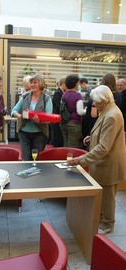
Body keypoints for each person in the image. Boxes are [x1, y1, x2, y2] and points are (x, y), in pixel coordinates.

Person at [68, 85, 126, 234]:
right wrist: (92, 137)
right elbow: (104, 134)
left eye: (95, 102)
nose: (94, 104)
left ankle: (108, 224)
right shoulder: (107, 110)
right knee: (103, 194)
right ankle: (100, 219)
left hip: (109, 163)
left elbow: (104, 148)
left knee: (108, 197)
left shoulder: (112, 115)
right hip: (104, 162)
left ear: (104, 101)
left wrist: (80, 160)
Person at [11, 74, 52, 160]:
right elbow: (13, 111)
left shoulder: (46, 99)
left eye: (35, 82)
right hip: (24, 133)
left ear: (40, 84)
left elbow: (49, 118)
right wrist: (20, 116)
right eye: (31, 83)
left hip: (39, 134)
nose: (32, 84)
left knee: (36, 159)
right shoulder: (25, 96)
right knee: (26, 159)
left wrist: (39, 120)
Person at [60, 74, 86, 148]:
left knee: (66, 145)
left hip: (63, 123)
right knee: (72, 147)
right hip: (74, 124)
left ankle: (64, 159)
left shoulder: (63, 95)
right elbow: (80, 112)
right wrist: (86, 110)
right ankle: (70, 159)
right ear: (76, 84)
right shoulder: (78, 96)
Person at [50, 76, 66, 147]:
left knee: (58, 137)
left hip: (57, 118)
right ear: (63, 84)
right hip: (55, 118)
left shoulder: (61, 92)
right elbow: (58, 106)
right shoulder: (58, 93)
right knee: (57, 137)